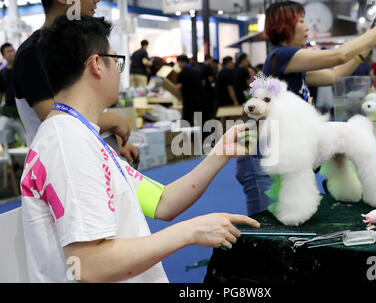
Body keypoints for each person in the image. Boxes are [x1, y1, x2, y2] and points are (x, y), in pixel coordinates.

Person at [22, 15, 259, 283]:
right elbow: (89, 265)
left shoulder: (80, 135)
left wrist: (220, 152)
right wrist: (191, 231)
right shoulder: (67, 143)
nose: (119, 71)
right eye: (116, 60)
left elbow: (163, 202)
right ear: (97, 64)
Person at [236, 1, 376, 216]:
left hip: (282, 147)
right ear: (284, 26)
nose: (307, 27)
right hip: (262, 155)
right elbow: (338, 55)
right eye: (301, 21)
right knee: (265, 227)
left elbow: (335, 74)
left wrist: (366, 48)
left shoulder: (292, 62)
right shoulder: (283, 55)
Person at [12, 0, 138, 164]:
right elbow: (56, 118)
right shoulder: (32, 54)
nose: (97, 0)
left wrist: (112, 143)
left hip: (92, 157)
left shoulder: (78, 46)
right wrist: (111, 120)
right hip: (62, 165)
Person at [0, 43, 26, 145]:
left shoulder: (22, 69)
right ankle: (12, 161)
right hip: (8, 111)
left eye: (13, 50)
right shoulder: (2, 73)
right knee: (5, 141)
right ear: (3, 55)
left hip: (22, 112)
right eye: (8, 51)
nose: (12, 53)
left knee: (27, 140)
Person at [176, 54, 205, 125]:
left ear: (182, 62)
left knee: (187, 120)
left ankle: (188, 135)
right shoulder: (197, 71)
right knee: (199, 120)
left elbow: (178, 87)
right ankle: (200, 135)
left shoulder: (182, 73)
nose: (178, 65)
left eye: (179, 63)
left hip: (188, 100)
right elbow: (203, 83)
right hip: (199, 99)